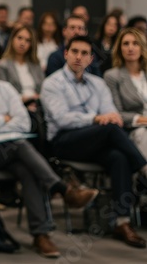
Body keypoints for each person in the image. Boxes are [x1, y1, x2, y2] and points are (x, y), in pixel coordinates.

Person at [0, 38, 98, 259]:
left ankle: (41, 234)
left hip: (8, 150)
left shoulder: (6, 89)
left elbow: (23, 122)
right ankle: (62, 189)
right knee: (20, 145)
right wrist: (4, 118)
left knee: (27, 168)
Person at [40, 35, 147, 248]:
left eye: (84, 53)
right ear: (66, 54)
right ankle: (144, 169)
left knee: (118, 157)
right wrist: (95, 118)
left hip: (95, 140)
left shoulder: (97, 84)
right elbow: (62, 119)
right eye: (75, 52)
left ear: (90, 59)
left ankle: (122, 222)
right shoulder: (52, 83)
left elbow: (112, 113)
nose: (79, 57)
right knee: (109, 128)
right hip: (65, 142)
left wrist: (104, 118)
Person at [0, 26, 46, 149]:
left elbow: (44, 89)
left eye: (27, 40)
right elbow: (2, 94)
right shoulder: (3, 65)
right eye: (20, 38)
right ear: (12, 39)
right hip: (16, 106)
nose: (23, 43)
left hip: (38, 105)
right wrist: (25, 100)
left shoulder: (35, 64)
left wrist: (36, 99)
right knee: (34, 117)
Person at [104, 28, 147, 162]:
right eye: (126, 43)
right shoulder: (112, 76)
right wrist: (144, 120)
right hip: (133, 130)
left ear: (142, 47)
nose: (130, 48)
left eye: (135, 43)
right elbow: (117, 113)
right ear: (119, 48)